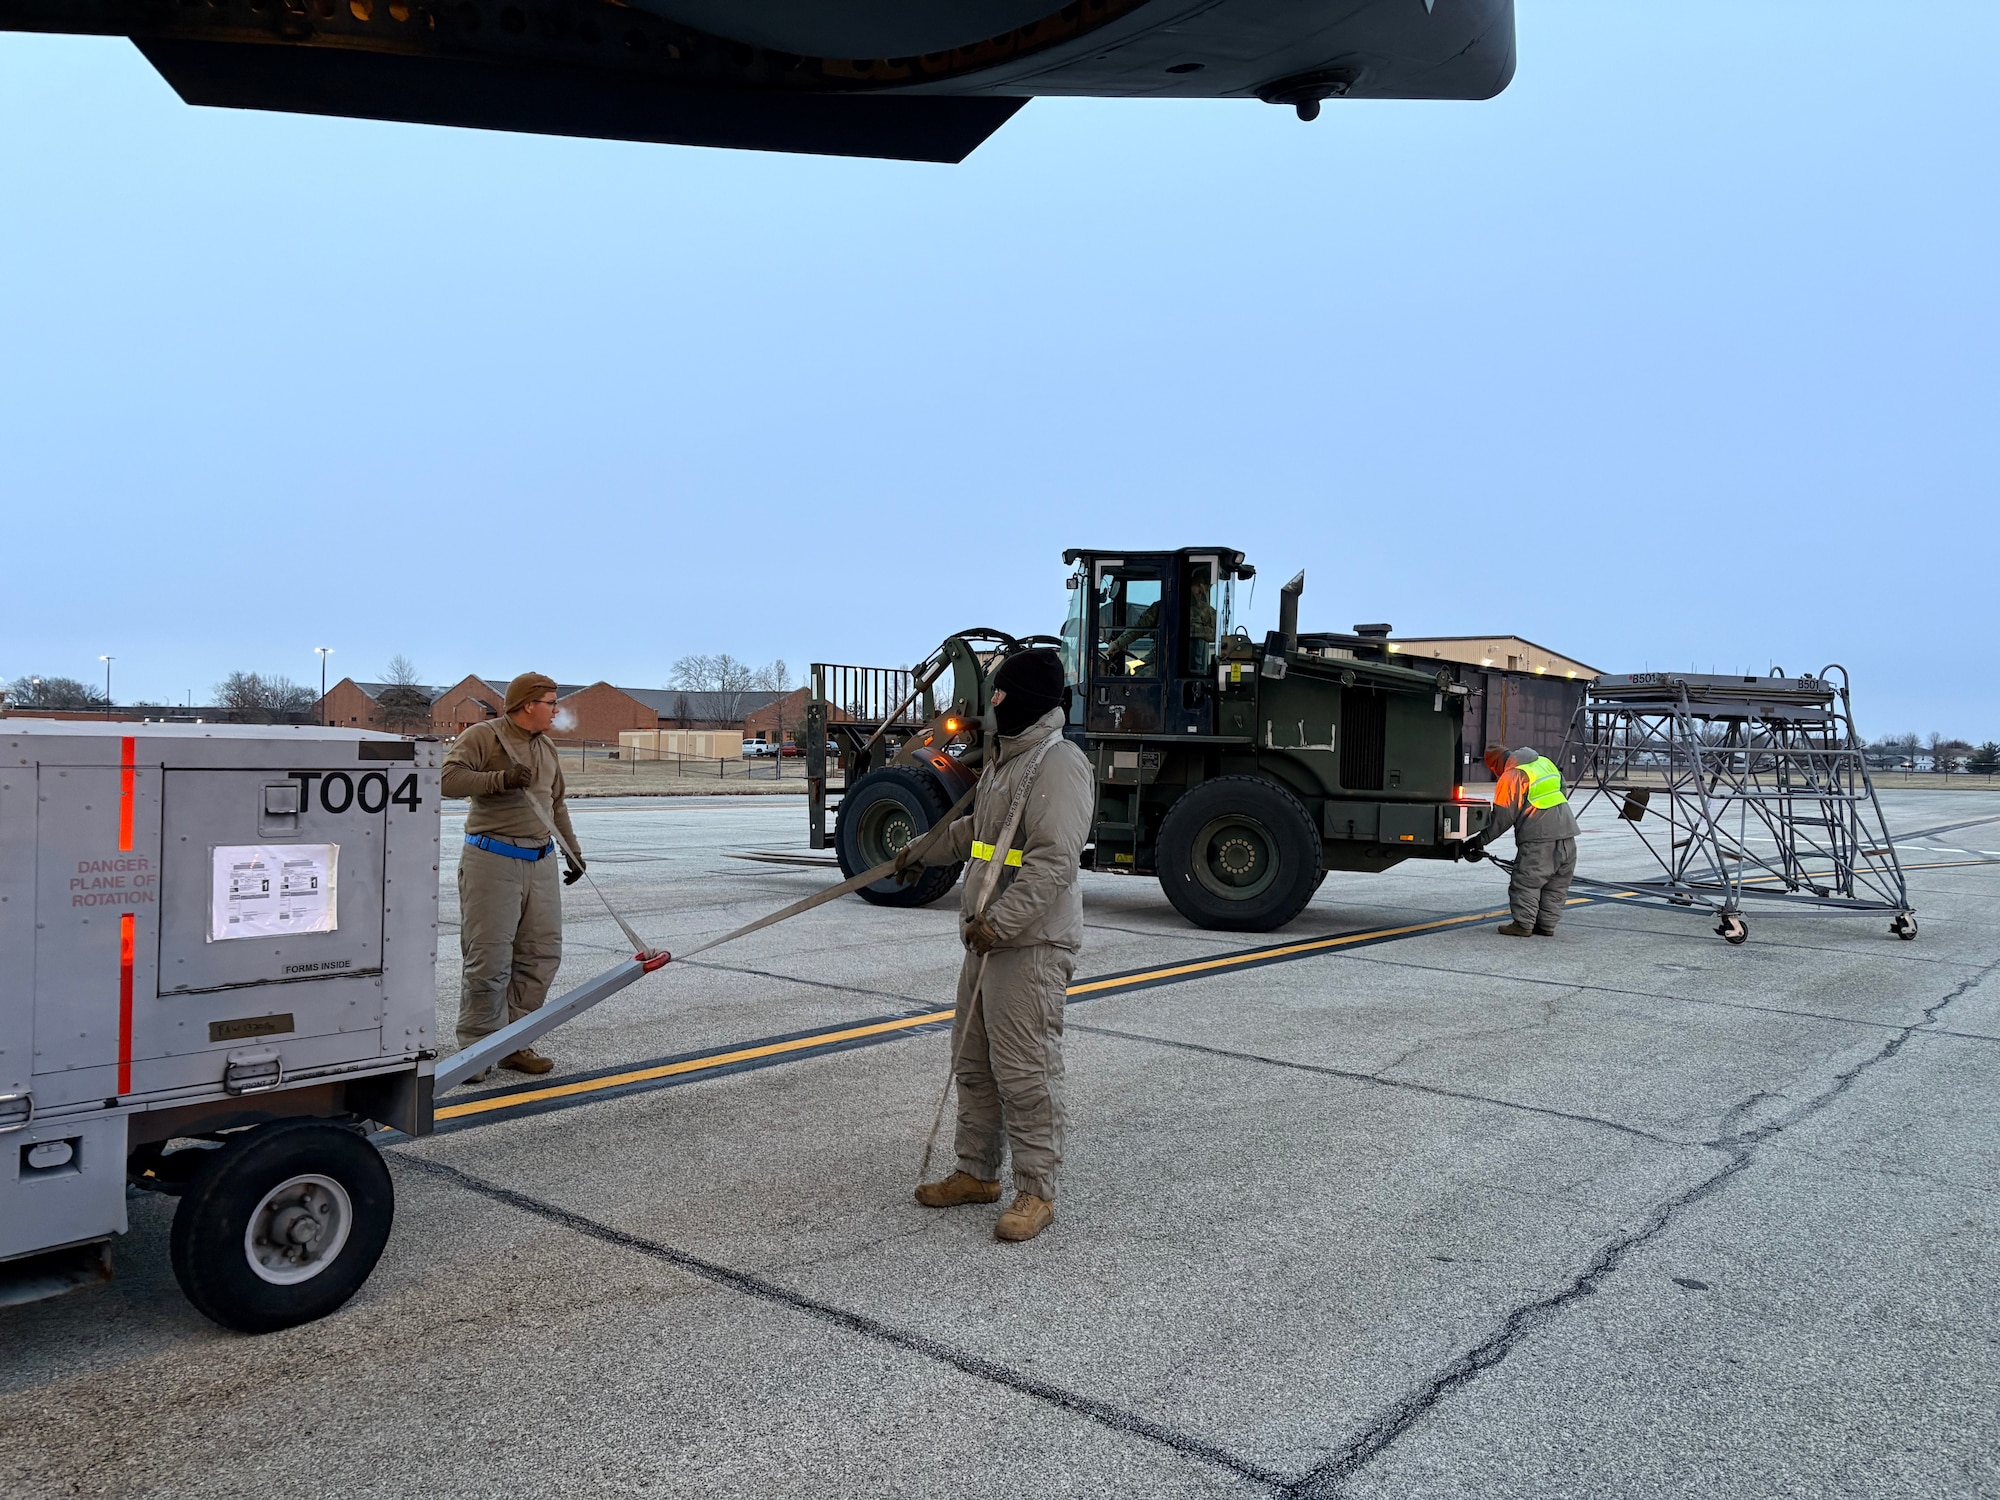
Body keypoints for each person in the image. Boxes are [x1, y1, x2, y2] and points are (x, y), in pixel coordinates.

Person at [898, 648, 1096, 1242]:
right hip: (987, 938)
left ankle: (1036, 1191)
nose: (994, 706)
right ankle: (977, 1173)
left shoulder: (1058, 764)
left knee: (1026, 1069)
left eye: (1002, 695)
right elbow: (977, 834)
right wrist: (919, 852)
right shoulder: (1006, 759)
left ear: (1024, 700)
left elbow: (1052, 863)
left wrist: (1001, 923)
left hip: (1029, 942)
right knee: (973, 1062)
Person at [440, 672, 586, 1078]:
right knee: (489, 957)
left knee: (541, 955)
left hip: (540, 860)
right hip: (493, 860)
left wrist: (572, 850)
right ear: (527, 705)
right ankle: (476, 1050)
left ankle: (514, 1041)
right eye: (550, 703)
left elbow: (556, 804)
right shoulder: (484, 736)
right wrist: (499, 779)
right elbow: (445, 780)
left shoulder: (547, 747)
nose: (556, 710)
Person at [1464, 744, 1578, 937]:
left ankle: (1523, 925)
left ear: (1496, 764)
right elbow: (1562, 790)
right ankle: (1546, 925)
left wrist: (1478, 841)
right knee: (1556, 884)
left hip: (1539, 838)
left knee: (1527, 881)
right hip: (1567, 832)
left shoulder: (1513, 775)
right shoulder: (1544, 763)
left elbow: (1502, 818)